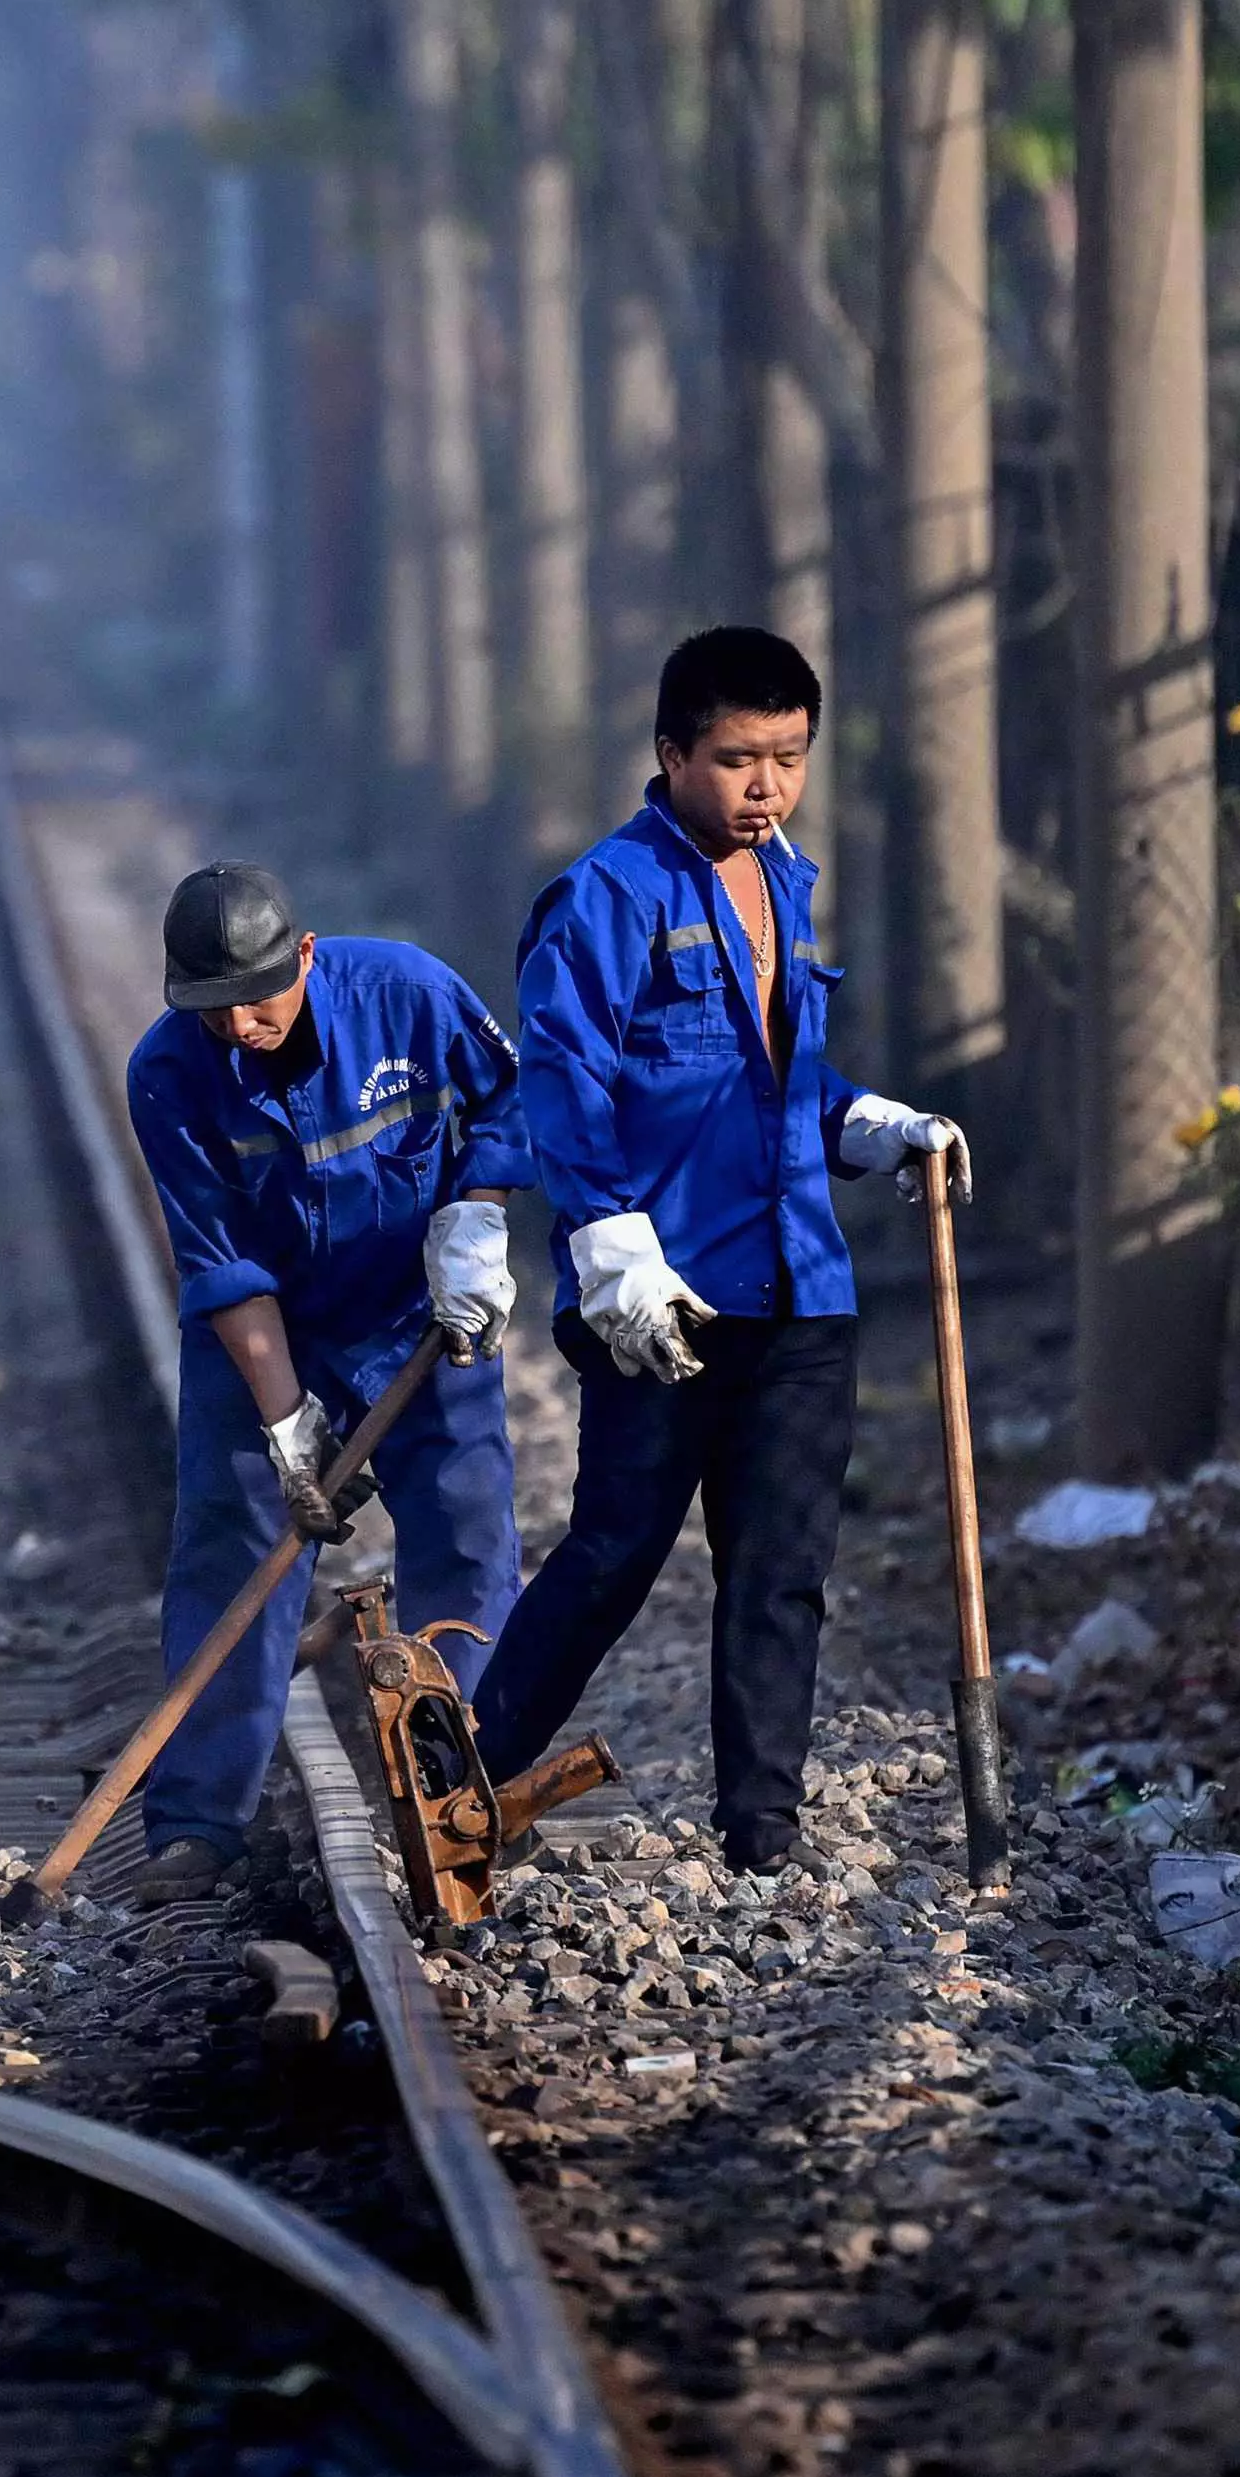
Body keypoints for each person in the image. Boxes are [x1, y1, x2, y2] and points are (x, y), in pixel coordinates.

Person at [465, 626, 965, 1871]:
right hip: (662, 1299)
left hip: (802, 1286)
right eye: (738, 759)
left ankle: (762, 1828)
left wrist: (870, 1124)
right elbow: (565, 1085)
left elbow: (781, 1077)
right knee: (616, 1550)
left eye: (788, 759)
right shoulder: (605, 897)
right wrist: (608, 1247)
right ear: (670, 752)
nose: (766, 787)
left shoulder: (786, 888)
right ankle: (459, 1767)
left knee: (780, 1571)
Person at [118, 866, 527, 1904]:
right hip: (264, 1332)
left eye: (259, 1001)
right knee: (233, 1550)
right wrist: (288, 1423)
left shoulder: (409, 994)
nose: (241, 1029)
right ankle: (200, 1820)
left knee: (467, 1535)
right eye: (213, 1013)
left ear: (304, 957)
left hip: (414, 1316)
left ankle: (460, 1786)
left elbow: (510, 1098)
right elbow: (221, 1264)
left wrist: (474, 1221)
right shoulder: (167, 1073)